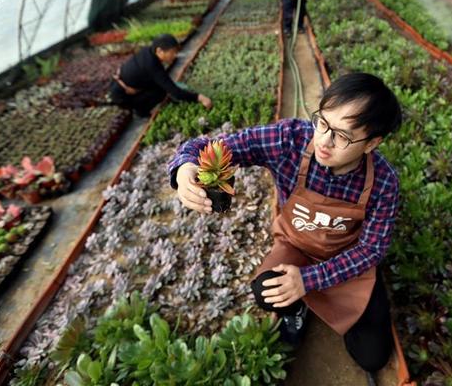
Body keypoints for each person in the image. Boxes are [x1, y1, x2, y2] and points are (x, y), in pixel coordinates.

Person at [168, 73, 401, 382]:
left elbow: (371, 249)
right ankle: (296, 313)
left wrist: (309, 279)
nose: (324, 142)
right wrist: (185, 168)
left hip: (345, 260)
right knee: (266, 290)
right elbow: (208, 146)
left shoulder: (384, 183)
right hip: (296, 245)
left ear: (372, 142)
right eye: (323, 123)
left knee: (371, 356)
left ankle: (337, 297)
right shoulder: (288, 140)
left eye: (342, 136)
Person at [109, 34, 212, 117]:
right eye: (172, 52)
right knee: (161, 91)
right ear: (159, 51)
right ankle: (140, 110)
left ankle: (140, 104)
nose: (174, 55)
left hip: (120, 85)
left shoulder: (148, 51)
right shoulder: (152, 65)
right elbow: (176, 92)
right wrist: (199, 98)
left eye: (176, 52)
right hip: (121, 96)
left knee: (161, 85)